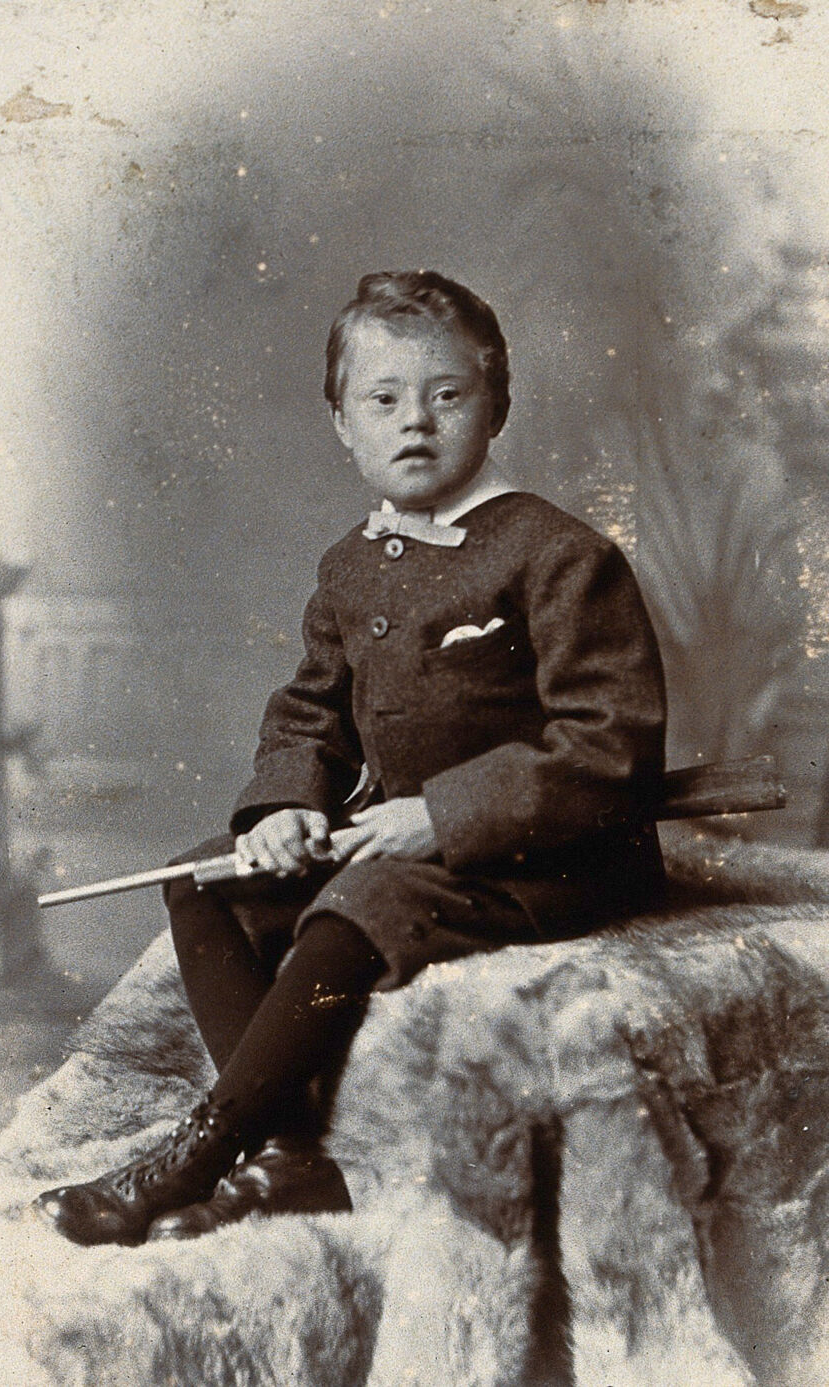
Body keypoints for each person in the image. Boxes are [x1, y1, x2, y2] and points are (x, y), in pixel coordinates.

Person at [33, 270, 667, 1247]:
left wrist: (441, 815)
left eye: (447, 394)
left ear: (497, 404)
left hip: (546, 856)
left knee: (358, 903)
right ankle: (291, 1154)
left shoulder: (558, 554)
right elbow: (311, 712)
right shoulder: (351, 563)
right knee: (204, 880)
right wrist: (286, 807)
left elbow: (609, 743)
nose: (415, 421)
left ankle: (201, 1148)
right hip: (397, 842)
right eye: (383, 399)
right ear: (341, 422)